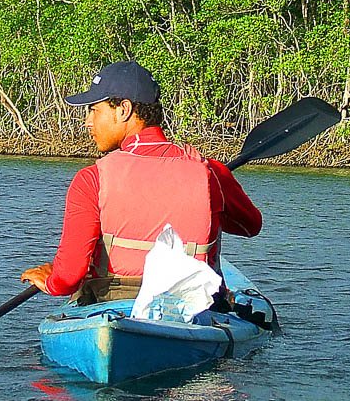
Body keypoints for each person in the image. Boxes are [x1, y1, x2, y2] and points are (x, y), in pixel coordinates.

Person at [20, 61, 262, 308]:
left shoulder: (92, 179)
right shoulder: (211, 172)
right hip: (194, 305)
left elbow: (68, 278)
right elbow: (250, 226)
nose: (88, 122)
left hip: (114, 303)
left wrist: (52, 282)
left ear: (123, 110)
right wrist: (210, 198)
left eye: (94, 110)